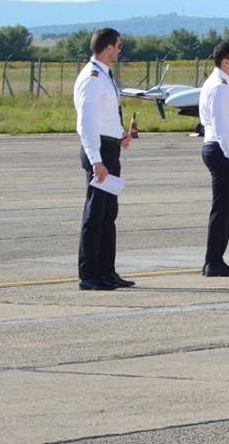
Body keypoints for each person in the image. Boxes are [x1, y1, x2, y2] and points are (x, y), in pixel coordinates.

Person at [73, 27, 132, 291]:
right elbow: (86, 123)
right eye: (118, 46)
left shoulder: (104, 75)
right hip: (98, 151)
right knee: (94, 215)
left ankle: (107, 271)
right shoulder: (92, 77)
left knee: (108, 214)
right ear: (108, 48)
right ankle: (89, 274)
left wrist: (120, 136)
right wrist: (96, 160)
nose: (119, 51)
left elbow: (105, 116)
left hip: (109, 147)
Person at [200, 42, 229, 276]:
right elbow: (220, 127)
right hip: (222, 151)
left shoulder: (222, 84)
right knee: (223, 209)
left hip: (222, 150)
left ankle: (215, 259)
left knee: (227, 208)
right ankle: (213, 262)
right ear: (225, 62)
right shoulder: (219, 88)